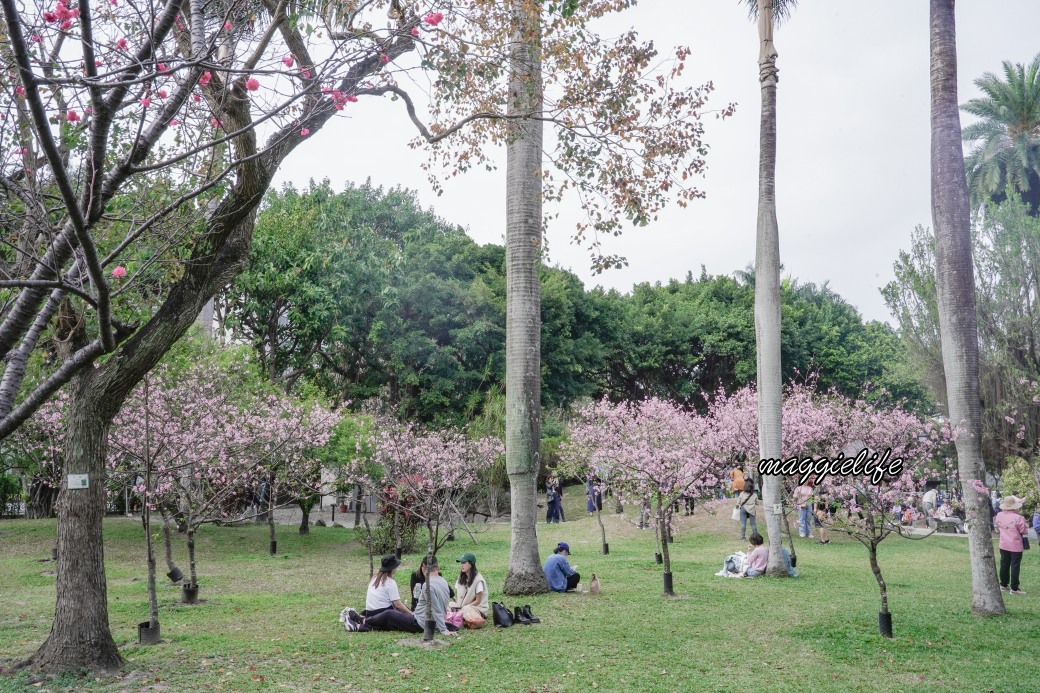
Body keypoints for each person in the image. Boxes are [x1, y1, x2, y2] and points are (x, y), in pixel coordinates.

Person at [363, 556, 459, 636]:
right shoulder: (443, 581)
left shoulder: (427, 585)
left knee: (389, 614)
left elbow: (435, 608)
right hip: (429, 620)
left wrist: (443, 630)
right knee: (395, 615)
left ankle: (363, 622)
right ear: (438, 568)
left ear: (422, 568)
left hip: (419, 623)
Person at [346, 554, 413, 632]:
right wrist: (411, 614)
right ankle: (360, 625)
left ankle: (362, 620)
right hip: (383, 614)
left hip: (370, 613)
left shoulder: (374, 578)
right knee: (402, 619)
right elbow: (398, 605)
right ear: (393, 568)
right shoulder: (390, 582)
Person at [995, 495, 1029, 595]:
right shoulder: (1018, 517)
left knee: (1004, 564)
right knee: (1015, 566)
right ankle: (1014, 588)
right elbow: (1023, 530)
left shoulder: (999, 515)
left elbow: (997, 526)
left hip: (1003, 543)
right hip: (1015, 545)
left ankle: (1003, 584)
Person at [449, 552, 488, 618]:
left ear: (471, 564)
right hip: (462, 606)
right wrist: (457, 606)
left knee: (467, 610)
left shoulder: (478, 580)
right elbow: (458, 596)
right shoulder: (461, 577)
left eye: (464, 563)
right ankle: (457, 616)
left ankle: (458, 616)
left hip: (476, 609)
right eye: (461, 563)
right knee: (449, 605)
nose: (462, 565)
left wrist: (464, 607)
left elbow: (478, 601)